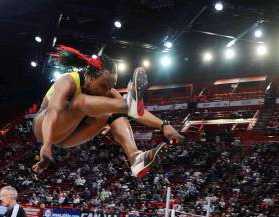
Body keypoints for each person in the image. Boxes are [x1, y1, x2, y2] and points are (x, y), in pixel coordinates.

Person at [32, 45, 184, 177]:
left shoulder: (108, 92)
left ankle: (135, 158)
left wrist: (164, 125)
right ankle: (126, 104)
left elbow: (138, 111)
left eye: (111, 86)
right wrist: (46, 145)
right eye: (103, 86)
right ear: (90, 77)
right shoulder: (68, 81)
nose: (107, 91)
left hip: (69, 136)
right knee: (81, 101)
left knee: (111, 112)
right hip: (45, 127)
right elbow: (53, 112)